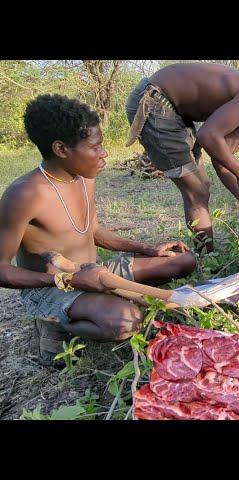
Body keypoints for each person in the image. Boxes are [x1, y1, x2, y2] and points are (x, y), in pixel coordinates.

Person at [0, 94, 197, 367]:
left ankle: (100, 298)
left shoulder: (83, 177)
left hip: (95, 274)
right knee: (126, 322)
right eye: (95, 147)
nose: (103, 153)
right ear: (61, 149)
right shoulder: (25, 194)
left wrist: (147, 249)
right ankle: (55, 324)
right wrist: (66, 281)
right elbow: (2, 270)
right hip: (52, 286)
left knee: (183, 261)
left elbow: (93, 231)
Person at [125, 62, 239, 248]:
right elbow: (207, 136)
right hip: (156, 101)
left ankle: (205, 255)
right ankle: (206, 260)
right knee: (196, 192)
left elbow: (221, 162)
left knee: (203, 186)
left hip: (173, 111)